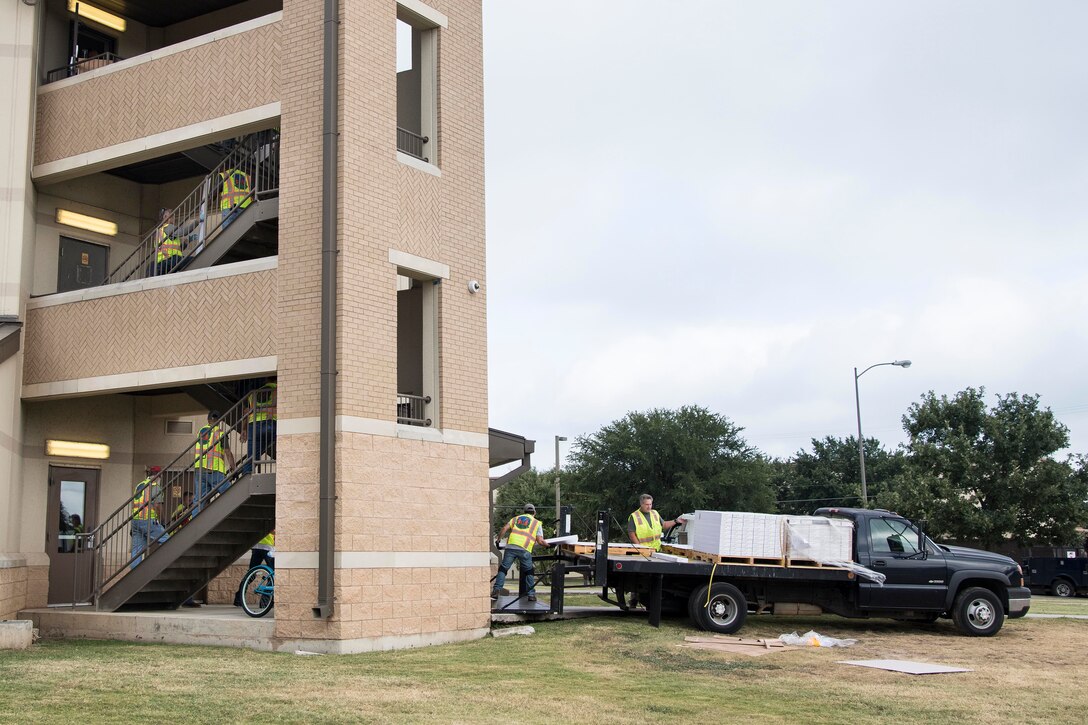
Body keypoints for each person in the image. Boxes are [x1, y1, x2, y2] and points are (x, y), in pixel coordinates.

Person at [492, 504, 552, 603]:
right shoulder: (536, 523)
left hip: (510, 547)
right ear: (534, 512)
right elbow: (540, 541)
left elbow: (504, 529)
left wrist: (498, 540)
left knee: (503, 569)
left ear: (524, 512)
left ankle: (496, 591)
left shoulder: (515, 519)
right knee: (529, 572)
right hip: (524, 549)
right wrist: (549, 545)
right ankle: (531, 595)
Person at [193, 411, 236, 515]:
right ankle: (230, 512)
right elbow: (227, 452)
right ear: (219, 421)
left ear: (208, 419)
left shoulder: (200, 431)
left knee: (199, 499)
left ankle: (193, 521)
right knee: (228, 491)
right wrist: (234, 467)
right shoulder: (219, 433)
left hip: (199, 469)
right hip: (213, 469)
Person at [130, 467, 167, 568]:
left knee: (136, 550)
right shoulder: (155, 487)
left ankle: (134, 575)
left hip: (136, 521)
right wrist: (162, 521)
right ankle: (162, 566)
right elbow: (157, 506)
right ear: (158, 475)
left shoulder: (140, 485)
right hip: (148, 520)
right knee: (167, 541)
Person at [239, 381, 276, 475]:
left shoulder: (253, 394)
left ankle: (246, 476)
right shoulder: (277, 388)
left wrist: (244, 429)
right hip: (270, 423)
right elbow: (276, 407)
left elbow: (246, 413)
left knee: (252, 456)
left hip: (253, 426)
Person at [234, 531, 275, 607]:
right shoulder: (271, 520)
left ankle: (238, 599)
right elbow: (273, 531)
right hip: (268, 548)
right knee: (273, 575)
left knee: (251, 574)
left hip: (256, 547)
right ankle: (265, 603)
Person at [218, 165, 252, 231]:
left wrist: (205, 205)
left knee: (227, 234)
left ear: (224, 165)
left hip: (230, 208)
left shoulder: (223, 175)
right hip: (247, 208)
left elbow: (214, 193)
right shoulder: (246, 176)